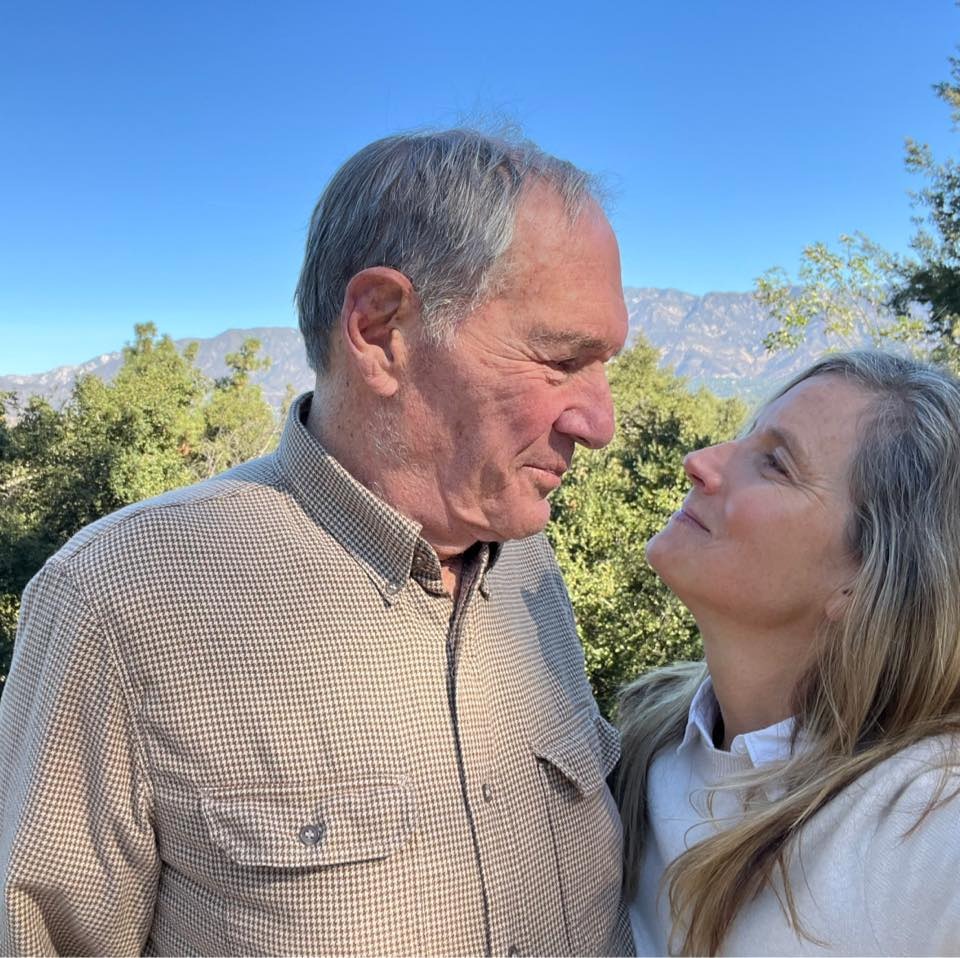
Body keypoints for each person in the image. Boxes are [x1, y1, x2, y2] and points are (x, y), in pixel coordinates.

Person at [0, 131, 631, 956]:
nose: (601, 423)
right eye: (559, 359)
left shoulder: (529, 567)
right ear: (379, 329)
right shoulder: (119, 601)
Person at [617, 350, 960, 956]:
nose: (698, 463)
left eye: (774, 464)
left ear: (866, 582)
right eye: (745, 439)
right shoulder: (641, 742)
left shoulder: (926, 826)